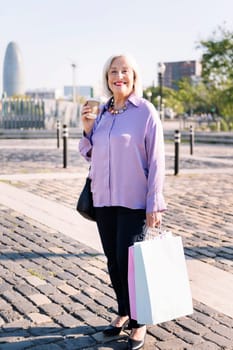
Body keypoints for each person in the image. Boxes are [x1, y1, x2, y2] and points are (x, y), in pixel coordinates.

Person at [79, 53, 166, 350]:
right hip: (103, 199)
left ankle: (140, 323)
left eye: (124, 71)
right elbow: (89, 152)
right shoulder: (102, 112)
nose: (119, 76)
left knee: (131, 265)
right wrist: (88, 128)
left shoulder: (145, 112)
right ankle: (123, 312)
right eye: (113, 71)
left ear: (134, 76)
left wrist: (155, 201)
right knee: (114, 262)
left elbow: (157, 160)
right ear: (107, 78)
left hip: (134, 200)